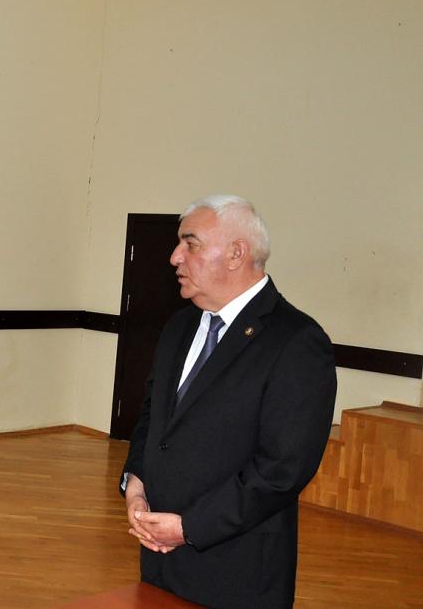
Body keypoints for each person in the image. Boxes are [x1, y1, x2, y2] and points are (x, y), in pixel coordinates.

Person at [120, 195, 336, 608]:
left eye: (190, 243)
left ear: (237, 253)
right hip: (159, 557)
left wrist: (190, 528)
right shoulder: (180, 326)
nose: (174, 257)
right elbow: (152, 416)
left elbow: (282, 469)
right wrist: (136, 483)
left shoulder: (296, 341)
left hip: (236, 570)